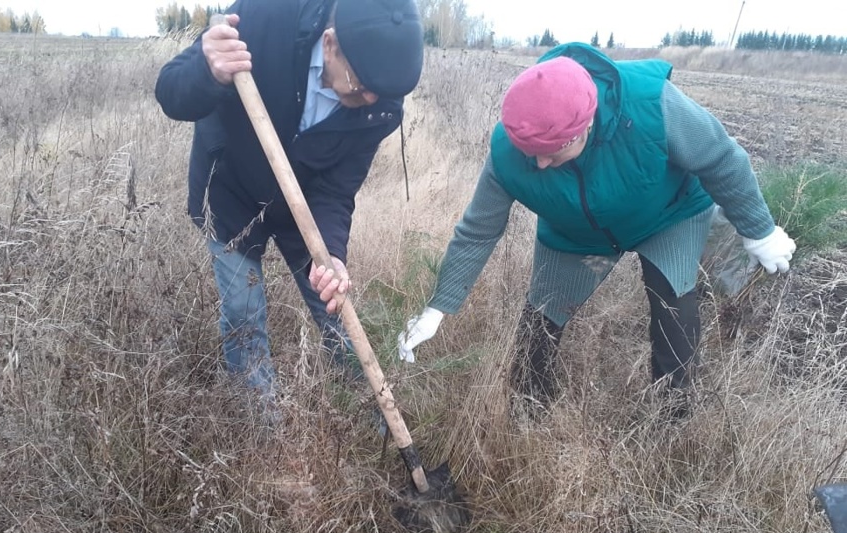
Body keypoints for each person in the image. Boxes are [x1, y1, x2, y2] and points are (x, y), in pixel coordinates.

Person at [397, 42, 796, 419]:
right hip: (576, 233)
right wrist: (439, 306)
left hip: (667, 215)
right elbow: (478, 230)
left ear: (583, 128)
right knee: (539, 322)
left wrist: (758, 231)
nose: (537, 165)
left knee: (673, 308)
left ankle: (673, 421)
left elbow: (721, 158)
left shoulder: (649, 105)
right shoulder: (508, 152)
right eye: (529, 153)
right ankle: (528, 410)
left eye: (551, 153)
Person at [155, 0, 424, 414]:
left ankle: (373, 414)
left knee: (334, 306)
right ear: (330, 44)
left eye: (382, 90)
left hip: (305, 208)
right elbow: (171, 90)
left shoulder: (379, 105)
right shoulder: (264, 18)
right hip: (231, 195)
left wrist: (332, 253)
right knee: (244, 313)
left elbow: (337, 190)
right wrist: (206, 71)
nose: (370, 97)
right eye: (362, 83)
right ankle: (264, 428)